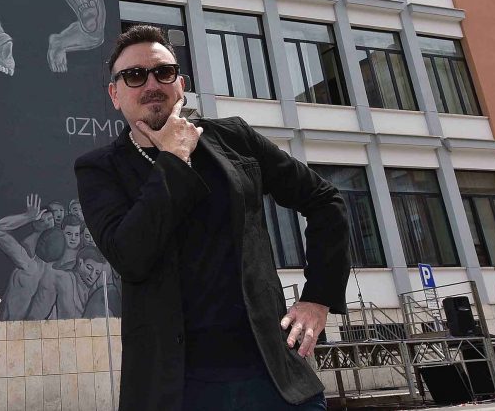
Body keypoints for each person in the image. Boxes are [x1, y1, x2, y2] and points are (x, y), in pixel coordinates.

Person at [74, 25, 350, 411]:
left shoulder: (233, 138)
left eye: (163, 72)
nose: (151, 84)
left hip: (274, 378)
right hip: (178, 388)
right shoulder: (100, 169)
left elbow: (325, 200)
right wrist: (173, 158)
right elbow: (131, 256)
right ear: (115, 94)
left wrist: (319, 298)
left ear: (181, 84)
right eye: (134, 75)